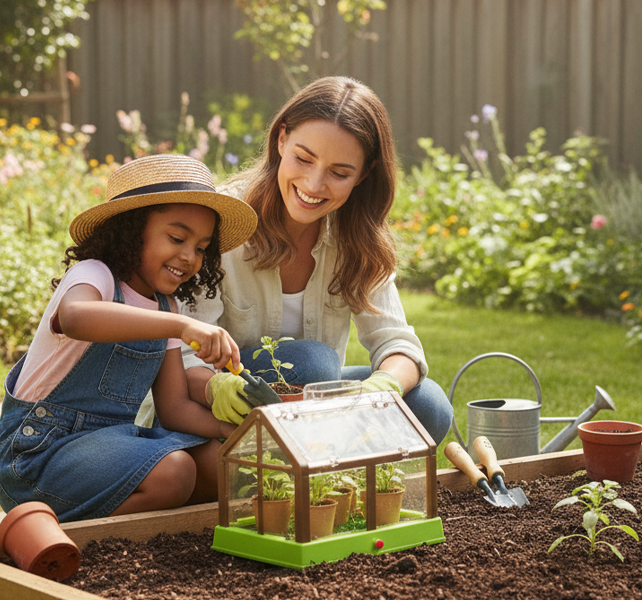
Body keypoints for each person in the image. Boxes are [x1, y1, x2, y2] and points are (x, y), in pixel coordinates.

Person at [179, 76, 454, 445]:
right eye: (303, 158)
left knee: (428, 406)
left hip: (312, 406)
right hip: (225, 403)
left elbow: (398, 344)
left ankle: (320, 459)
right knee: (315, 363)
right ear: (281, 139)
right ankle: (319, 454)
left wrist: (381, 389)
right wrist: (219, 388)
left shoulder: (356, 238)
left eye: (340, 173)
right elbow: (183, 357)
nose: (313, 184)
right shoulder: (223, 220)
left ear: (365, 173)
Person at [0, 154, 257, 522]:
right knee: (176, 472)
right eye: (177, 238)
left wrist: (241, 432)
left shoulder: (166, 305)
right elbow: (76, 318)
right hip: (36, 455)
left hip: (110, 446)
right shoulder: (94, 276)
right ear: (131, 230)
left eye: (200, 247)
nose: (189, 256)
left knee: (220, 464)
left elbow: (174, 406)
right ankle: (47, 531)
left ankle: (135, 528)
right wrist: (178, 327)